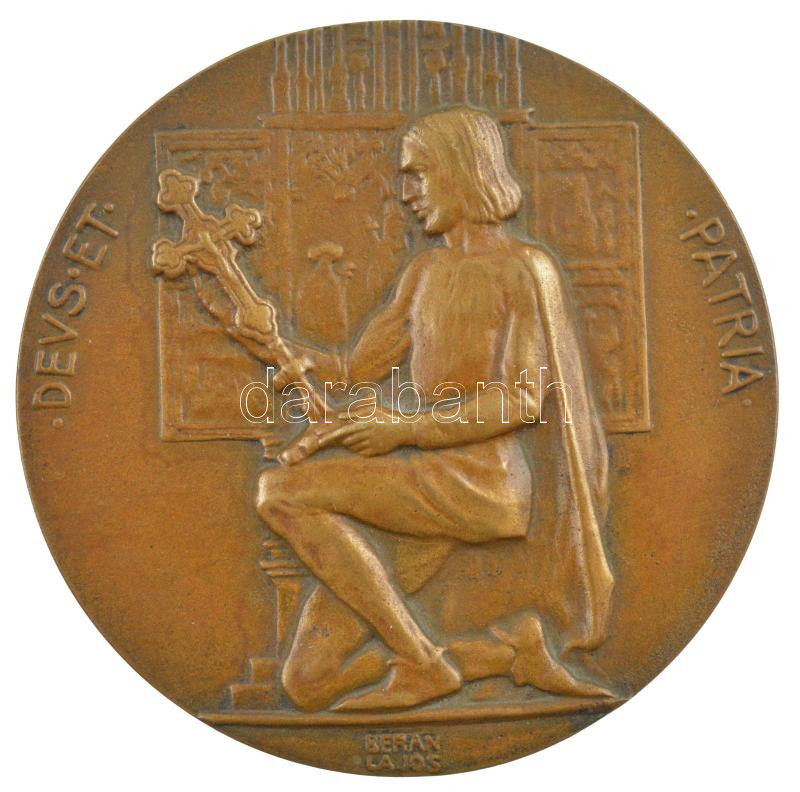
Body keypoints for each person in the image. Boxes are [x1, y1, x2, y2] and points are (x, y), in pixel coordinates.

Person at [240, 107, 613, 712]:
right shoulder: (425, 271)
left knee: (279, 492)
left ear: (464, 171)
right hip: (422, 485)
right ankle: (504, 656)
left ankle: (422, 663)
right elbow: (355, 370)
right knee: (306, 684)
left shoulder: (524, 269)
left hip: (481, 486)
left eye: (419, 174)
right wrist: (283, 350)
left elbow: (522, 398)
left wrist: (404, 428)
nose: (407, 193)